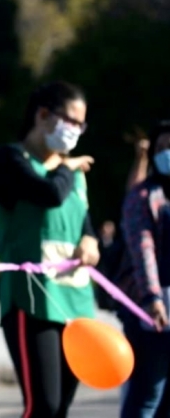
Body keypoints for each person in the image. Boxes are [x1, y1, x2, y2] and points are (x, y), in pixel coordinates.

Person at [0, 81, 99, 418]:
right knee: (43, 407)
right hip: (32, 300)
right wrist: (67, 166)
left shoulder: (75, 175)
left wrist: (91, 242)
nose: (77, 131)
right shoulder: (10, 159)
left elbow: (84, 222)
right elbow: (48, 194)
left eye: (82, 124)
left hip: (75, 301)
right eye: (72, 121)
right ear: (43, 115)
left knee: (61, 407)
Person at [116, 120, 170, 418]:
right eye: (162, 148)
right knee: (147, 394)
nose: (168, 153)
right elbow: (143, 249)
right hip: (151, 309)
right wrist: (152, 298)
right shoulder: (144, 196)